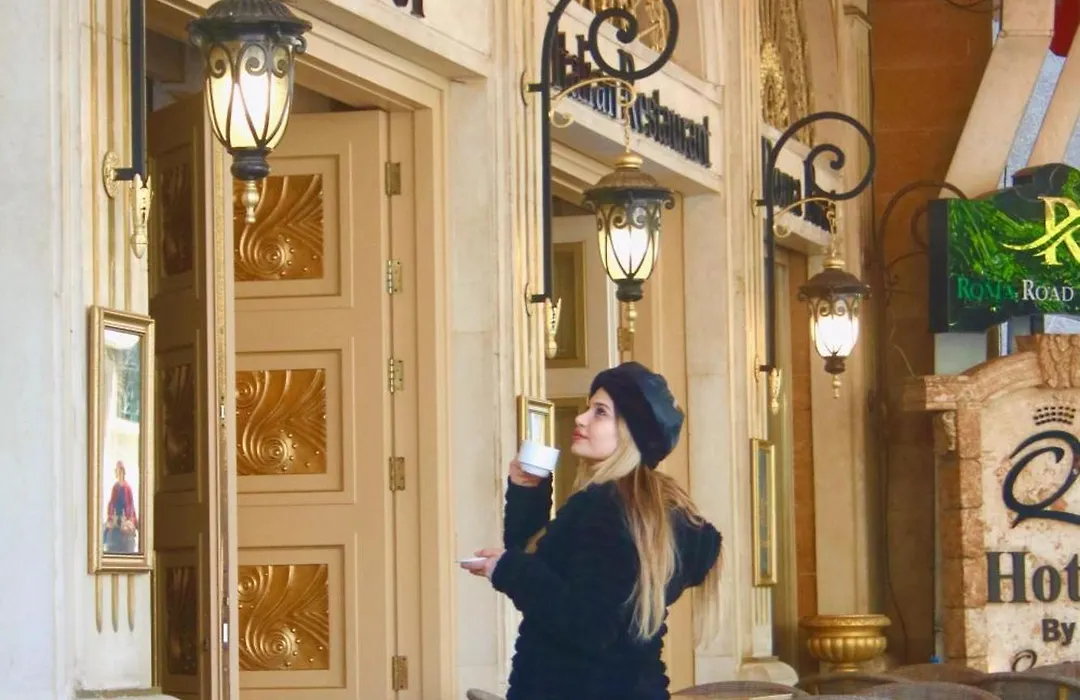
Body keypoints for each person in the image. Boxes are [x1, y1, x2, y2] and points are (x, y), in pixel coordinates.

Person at [462, 361, 723, 700]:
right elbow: (545, 567)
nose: (581, 418)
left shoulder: (606, 509)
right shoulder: (646, 511)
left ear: (630, 432)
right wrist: (528, 493)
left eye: (600, 412)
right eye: (588, 408)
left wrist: (509, 570)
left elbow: (590, 624)